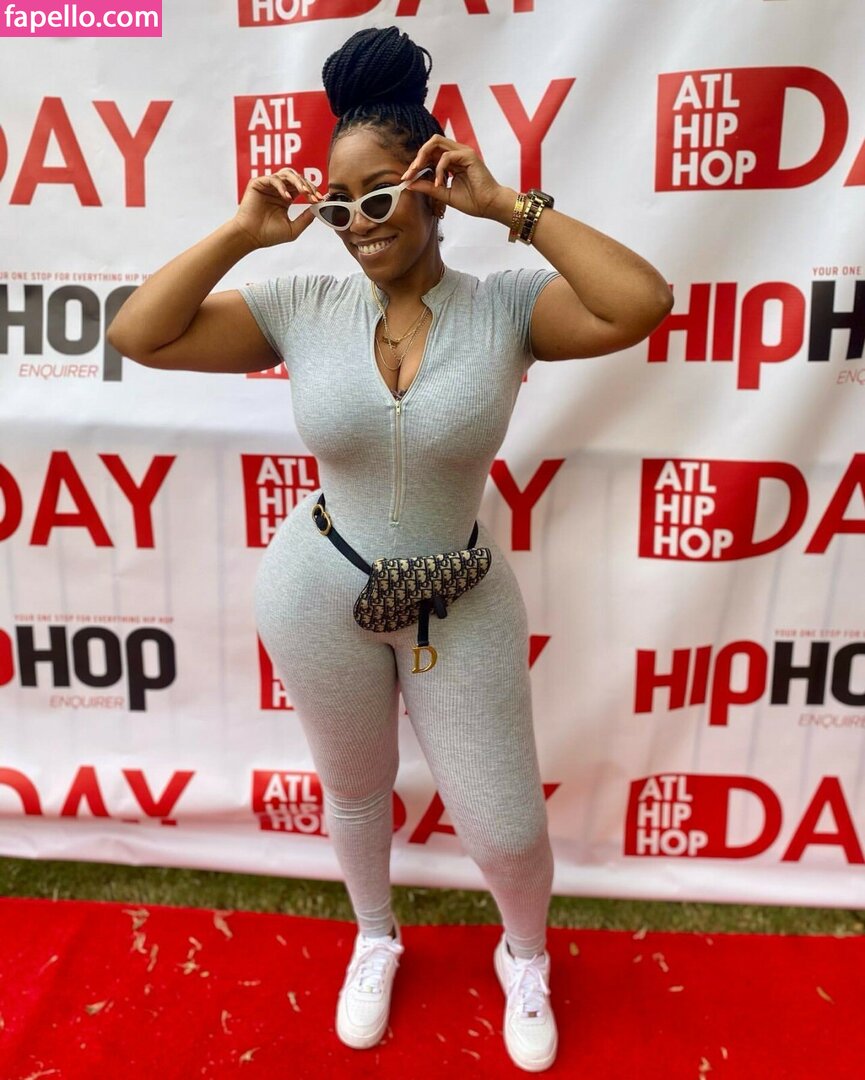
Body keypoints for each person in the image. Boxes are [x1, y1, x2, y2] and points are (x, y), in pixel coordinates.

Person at [107, 25, 672, 1073]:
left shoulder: (505, 309)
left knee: (504, 823)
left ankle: (525, 955)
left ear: (430, 184)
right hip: (316, 589)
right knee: (357, 789)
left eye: (379, 195)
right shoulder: (299, 305)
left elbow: (640, 302)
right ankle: (375, 937)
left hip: (460, 594)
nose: (358, 222)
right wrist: (243, 233)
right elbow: (140, 334)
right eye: (338, 204)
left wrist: (508, 207)